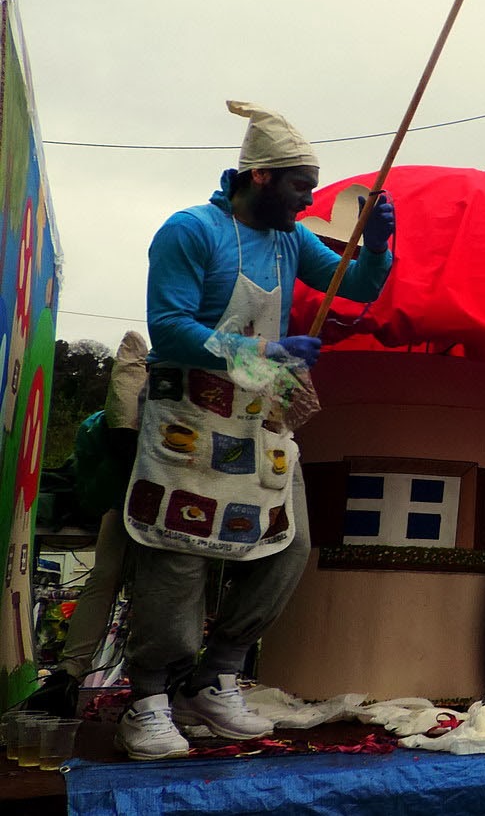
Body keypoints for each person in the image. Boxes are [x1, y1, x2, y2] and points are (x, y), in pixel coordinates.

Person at [117, 102, 396, 760]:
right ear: (263, 178)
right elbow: (171, 327)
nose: (308, 200)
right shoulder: (190, 231)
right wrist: (260, 355)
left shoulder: (290, 240)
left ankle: (215, 679)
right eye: (301, 185)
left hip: (256, 419)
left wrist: (378, 245)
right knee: (178, 555)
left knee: (286, 545)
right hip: (188, 415)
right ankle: (149, 697)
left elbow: (349, 282)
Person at [24, 332, 147, 718]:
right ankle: (151, 690)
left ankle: (68, 674)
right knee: (154, 588)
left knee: (103, 579)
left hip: (119, 500)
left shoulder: (126, 399)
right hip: (155, 501)